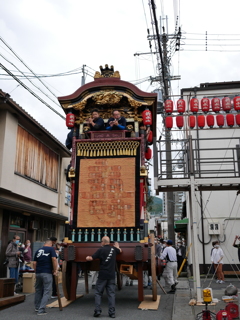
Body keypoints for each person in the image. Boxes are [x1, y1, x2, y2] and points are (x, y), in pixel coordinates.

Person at [86, 236, 122, 318]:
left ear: (103, 242)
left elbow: (91, 258)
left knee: (98, 293)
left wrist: (87, 258)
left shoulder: (100, 250)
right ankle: (112, 313)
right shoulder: (114, 249)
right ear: (109, 242)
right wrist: (117, 246)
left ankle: (98, 311)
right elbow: (120, 251)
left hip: (102, 275)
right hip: (111, 275)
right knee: (111, 294)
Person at [33, 239, 58, 316]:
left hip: (38, 272)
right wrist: (55, 270)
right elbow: (54, 259)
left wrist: (35, 271)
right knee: (47, 291)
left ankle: (37, 307)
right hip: (47, 272)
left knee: (38, 290)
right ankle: (41, 310)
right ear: (51, 244)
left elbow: (34, 263)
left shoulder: (38, 250)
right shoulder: (51, 249)